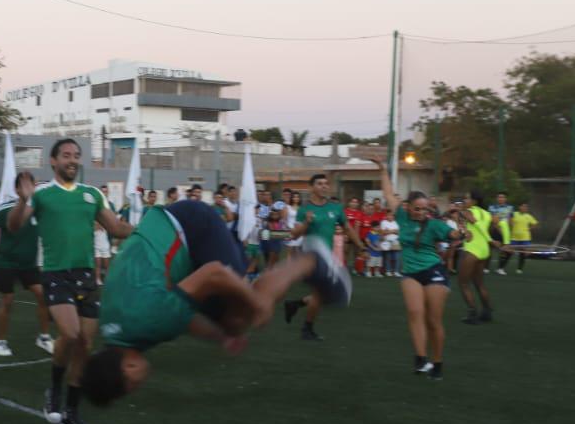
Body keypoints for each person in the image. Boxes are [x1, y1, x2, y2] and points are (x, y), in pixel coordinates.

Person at [79, 201, 351, 406]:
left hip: (192, 226)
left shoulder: (149, 321)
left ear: (128, 369)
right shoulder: (115, 329)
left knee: (245, 315)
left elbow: (214, 273)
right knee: (233, 323)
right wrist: (222, 336)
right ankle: (302, 267)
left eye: (131, 388)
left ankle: (309, 260)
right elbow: (182, 315)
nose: (137, 386)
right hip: (173, 236)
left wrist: (256, 303)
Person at [8, 138, 135, 424]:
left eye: (76, 156)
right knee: (70, 332)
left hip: (86, 276)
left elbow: (116, 228)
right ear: (53, 161)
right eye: (66, 155)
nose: (73, 160)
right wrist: (23, 200)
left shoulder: (91, 195)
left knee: (84, 346)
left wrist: (146, 231)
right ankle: (53, 390)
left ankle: (71, 413)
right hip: (55, 274)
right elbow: (15, 225)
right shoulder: (41, 194)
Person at [375, 161, 460, 379]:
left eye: (425, 209)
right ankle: (421, 359)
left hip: (434, 271)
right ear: (409, 207)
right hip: (410, 273)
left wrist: (461, 233)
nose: (422, 212)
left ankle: (438, 362)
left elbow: (453, 236)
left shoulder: (434, 224)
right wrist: (383, 170)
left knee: (433, 321)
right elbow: (388, 194)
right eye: (417, 208)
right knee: (414, 313)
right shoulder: (402, 217)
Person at [285, 174, 369, 340]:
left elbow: (348, 229)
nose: (324, 186)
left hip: (328, 258)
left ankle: (296, 305)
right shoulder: (304, 209)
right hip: (311, 257)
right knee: (321, 293)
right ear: (311, 187)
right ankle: (306, 329)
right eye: (320, 183)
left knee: (325, 295)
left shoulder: (336, 208)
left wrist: (360, 246)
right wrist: (306, 223)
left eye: (326, 184)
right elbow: (294, 235)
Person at [0, 171, 55, 357]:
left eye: (32, 184)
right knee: (7, 301)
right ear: (17, 188)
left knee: (43, 296)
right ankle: (1, 342)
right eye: (24, 185)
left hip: (29, 264)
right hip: (6, 263)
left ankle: (44, 337)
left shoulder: (40, 208)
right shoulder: (6, 207)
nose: (29, 188)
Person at [458, 191, 499, 324]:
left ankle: (472, 314)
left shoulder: (467, 211)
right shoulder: (487, 213)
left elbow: (479, 226)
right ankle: (487, 312)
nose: (465, 200)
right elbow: (492, 226)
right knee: (479, 283)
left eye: (467, 198)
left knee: (463, 283)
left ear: (474, 201)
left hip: (473, 250)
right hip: (484, 251)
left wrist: (491, 240)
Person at [500, 203, 539, 274]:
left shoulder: (528, 216)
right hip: (514, 238)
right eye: (523, 206)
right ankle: (501, 268)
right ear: (519, 207)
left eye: (526, 207)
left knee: (524, 253)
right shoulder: (514, 214)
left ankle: (519, 269)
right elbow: (509, 221)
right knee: (509, 252)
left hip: (525, 238)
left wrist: (530, 229)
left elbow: (535, 223)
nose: (525, 208)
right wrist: (510, 222)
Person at [378, 209, 400, 276]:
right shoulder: (383, 222)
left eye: (392, 215)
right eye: (389, 215)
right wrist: (393, 231)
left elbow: (398, 232)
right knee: (388, 257)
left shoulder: (396, 222)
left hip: (396, 241)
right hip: (387, 242)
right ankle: (388, 271)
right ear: (386, 216)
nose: (391, 216)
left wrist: (388, 231)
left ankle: (396, 271)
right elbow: (382, 232)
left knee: (396, 257)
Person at [283, 191, 302, 257]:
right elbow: (284, 221)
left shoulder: (302, 208)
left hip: (299, 232)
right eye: (294, 197)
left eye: (297, 197)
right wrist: (289, 229)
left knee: (298, 252)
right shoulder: (287, 207)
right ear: (291, 198)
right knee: (289, 252)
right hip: (290, 231)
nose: (296, 198)